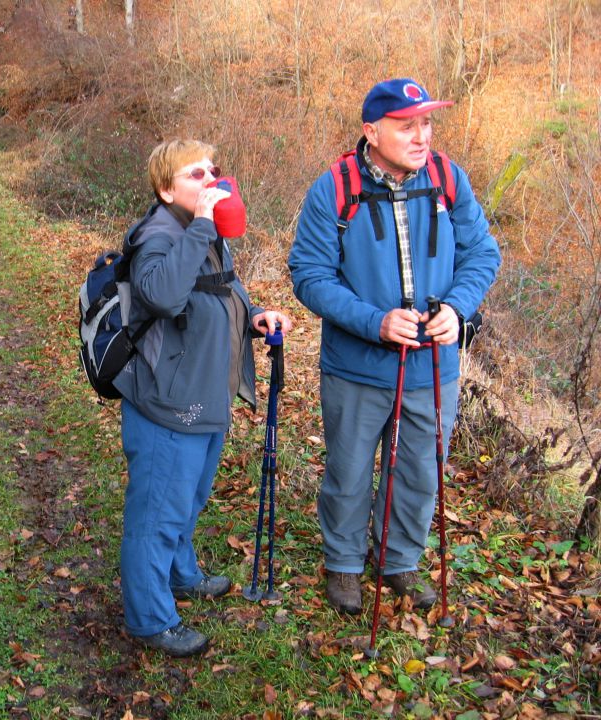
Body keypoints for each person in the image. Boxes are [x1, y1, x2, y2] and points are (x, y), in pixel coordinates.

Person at [288, 78, 501, 615]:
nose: (421, 135)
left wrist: (458, 308)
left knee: (420, 471)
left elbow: (483, 254)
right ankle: (342, 564)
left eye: (426, 123)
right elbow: (309, 275)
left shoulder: (449, 179)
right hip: (357, 366)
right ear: (372, 130)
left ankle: (398, 560)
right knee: (350, 469)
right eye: (407, 125)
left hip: (434, 367)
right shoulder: (334, 188)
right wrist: (375, 322)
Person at [112, 139, 293, 656]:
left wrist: (255, 315)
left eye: (214, 170)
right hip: (168, 402)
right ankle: (149, 619)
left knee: (187, 499)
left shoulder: (202, 232)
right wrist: (204, 225)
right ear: (167, 188)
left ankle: (179, 571)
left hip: (204, 393)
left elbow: (218, 287)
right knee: (157, 512)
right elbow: (164, 294)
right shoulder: (160, 235)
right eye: (196, 174)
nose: (210, 180)